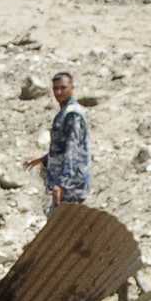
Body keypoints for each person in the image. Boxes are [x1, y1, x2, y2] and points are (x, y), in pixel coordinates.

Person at [28, 70, 91, 207]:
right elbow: (62, 149)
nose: (59, 92)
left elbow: (73, 151)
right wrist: (45, 159)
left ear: (72, 88)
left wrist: (63, 184)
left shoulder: (72, 114)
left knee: (67, 225)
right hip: (63, 182)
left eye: (63, 88)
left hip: (71, 186)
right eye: (56, 88)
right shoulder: (64, 113)